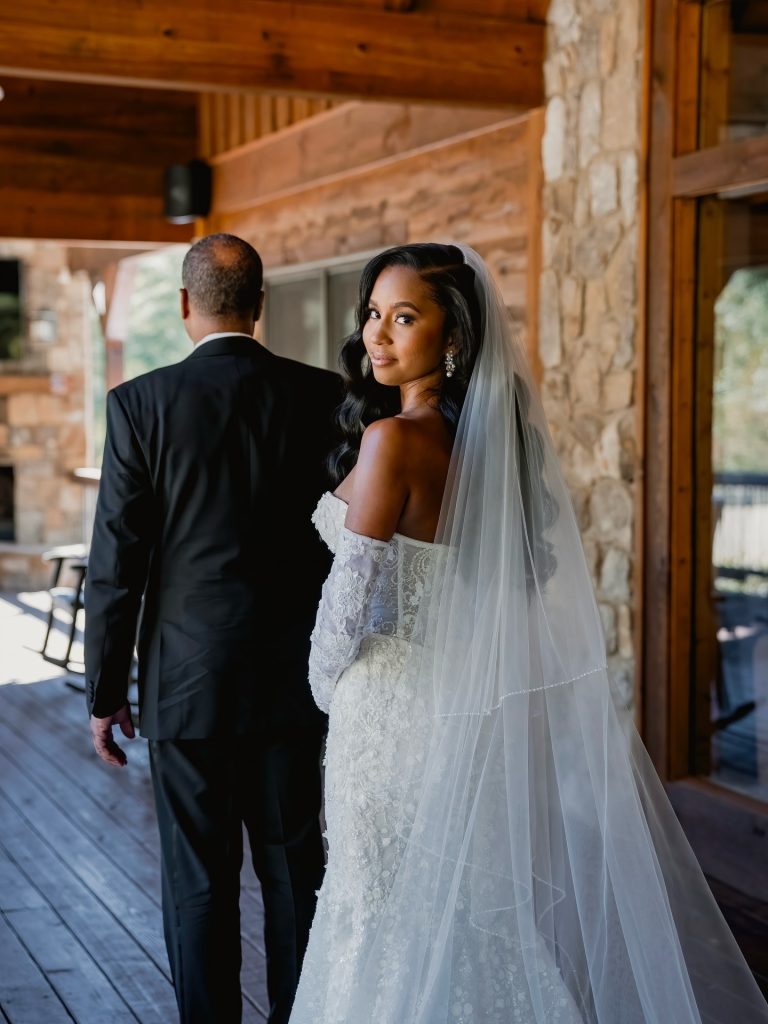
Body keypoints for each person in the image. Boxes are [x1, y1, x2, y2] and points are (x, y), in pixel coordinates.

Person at [289, 243, 768, 1023]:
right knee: (459, 909)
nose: (377, 334)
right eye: (373, 314)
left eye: (404, 317)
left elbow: (342, 614)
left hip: (383, 713)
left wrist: (327, 696)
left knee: (372, 906)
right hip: (458, 705)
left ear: (453, 337)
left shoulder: (391, 442)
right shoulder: (483, 448)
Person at [84, 233, 340, 1024]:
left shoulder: (141, 404)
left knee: (198, 880)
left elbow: (116, 563)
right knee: (296, 869)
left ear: (187, 306)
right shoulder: (326, 396)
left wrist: (104, 691)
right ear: (260, 306)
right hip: (297, 680)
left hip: (186, 682)